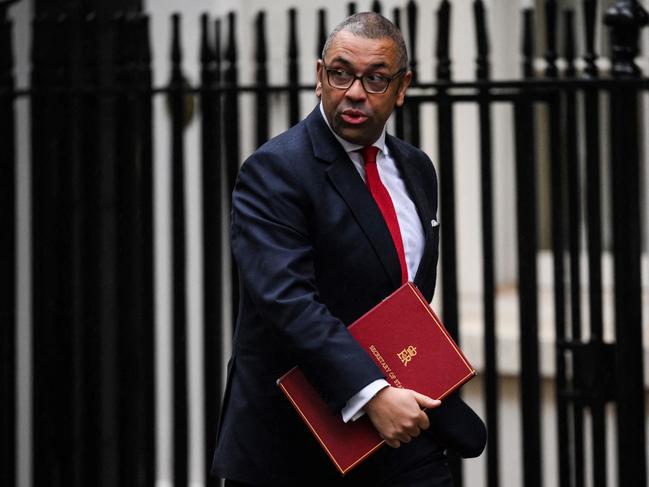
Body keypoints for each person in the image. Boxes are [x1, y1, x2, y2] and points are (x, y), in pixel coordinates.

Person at [211, 12, 486, 487]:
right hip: (294, 447)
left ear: (402, 88)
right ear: (320, 77)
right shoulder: (275, 170)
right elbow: (288, 301)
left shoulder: (417, 169)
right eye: (341, 73)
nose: (355, 92)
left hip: (400, 440)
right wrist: (372, 393)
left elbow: (400, 294)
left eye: (376, 78)